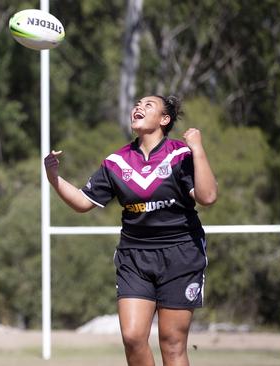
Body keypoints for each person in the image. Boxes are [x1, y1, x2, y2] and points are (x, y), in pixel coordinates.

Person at [44, 95, 217, 366]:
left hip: (181, 254)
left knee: (172, 344)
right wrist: (54, 178)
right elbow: (82, 202)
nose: (138, 107)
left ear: (164, 120)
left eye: (148, 105)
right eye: (137, 103)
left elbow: (207, 197)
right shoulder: (117, 162)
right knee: (133, 337)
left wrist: (197, 149)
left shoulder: (179, 155)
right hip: (134, 256)